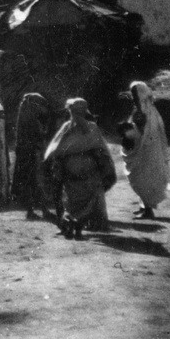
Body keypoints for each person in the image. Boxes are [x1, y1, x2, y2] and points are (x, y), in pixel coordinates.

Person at [42, 98, 117, 239]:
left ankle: (74, 227)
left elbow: (100, 150)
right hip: (77, 173)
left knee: (80, 202)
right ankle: (72, 227)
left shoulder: (83, 128)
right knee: (75, 201)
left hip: (82, 173)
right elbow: (56, 148)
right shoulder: (70, 128)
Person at [120, 80, 170, 218]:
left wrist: (128, 131)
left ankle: (148, 210)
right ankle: (144, 206)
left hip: (145, 151)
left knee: (142, 177)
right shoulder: (150, 111)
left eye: (135, 95)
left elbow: (141, 133)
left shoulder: (143, 113)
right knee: (143, 176)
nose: (133, 98)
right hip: (147, 150)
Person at [9, 93, 57, 221]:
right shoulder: (32, 120)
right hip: (32, 154)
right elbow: (40, 135)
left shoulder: (23, 119)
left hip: (24, 153)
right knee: (36, 182)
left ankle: (33, 211)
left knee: (29, 183)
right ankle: (43, 211)